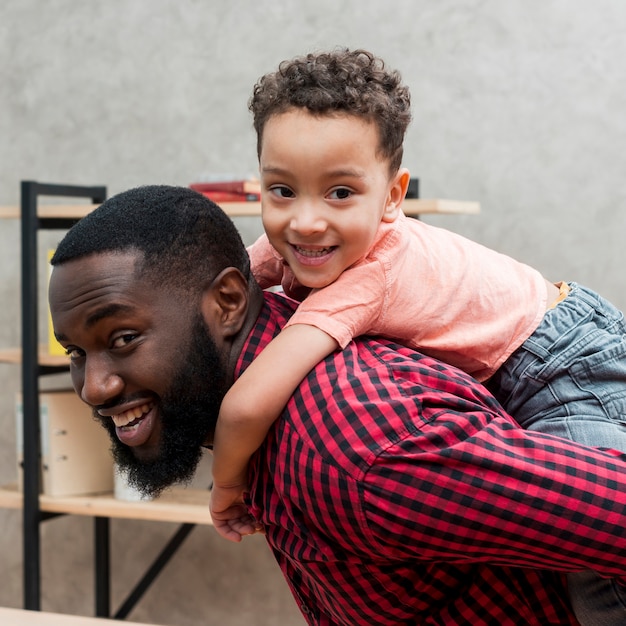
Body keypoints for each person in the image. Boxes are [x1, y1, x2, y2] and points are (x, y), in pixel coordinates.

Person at [49, 184, 626, 625]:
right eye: (76, 352)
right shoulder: (270, 408)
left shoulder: (354, 446)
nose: (94, 387)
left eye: (123, 339)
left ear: (227, 301)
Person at [209, 49, 626, 624]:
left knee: (598, 568)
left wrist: (228, 487)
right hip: (515, 363)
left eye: (339, 194)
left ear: (393, 196)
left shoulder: (370, 275)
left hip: (564, 363)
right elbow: (222, 290)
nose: (305, 221)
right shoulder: (300, 247)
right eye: (282, 191)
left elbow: (247, 405)